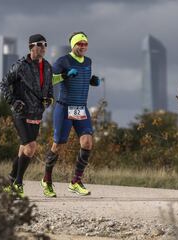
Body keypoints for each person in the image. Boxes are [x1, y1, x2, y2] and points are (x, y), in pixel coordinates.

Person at [40, 31, 101, 197]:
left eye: (85, 44)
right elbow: (48, 81)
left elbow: (81, 77)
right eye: (79, 44)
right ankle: (47, 180)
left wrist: (91, 81)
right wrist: (65, 75)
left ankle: (76, 181)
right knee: (58, 145)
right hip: (64, 107)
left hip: (80, 107)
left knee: (87, 142)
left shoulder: (88, 61)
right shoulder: (63, 61)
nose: (82, 46)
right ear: (73, 45)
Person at [0, 34, 53, 198]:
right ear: (31, 46)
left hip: (37, 112)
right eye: (40, 44)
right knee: (31, 147)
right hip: (21, 113)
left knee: (24, 149)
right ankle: (18, 183)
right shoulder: (20, 66)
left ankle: (10, 180)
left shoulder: (48, 66)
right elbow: (4, 84)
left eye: (45, 44)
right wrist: (13, 101)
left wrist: (49, 99)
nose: (43, 47)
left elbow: (50, 87)